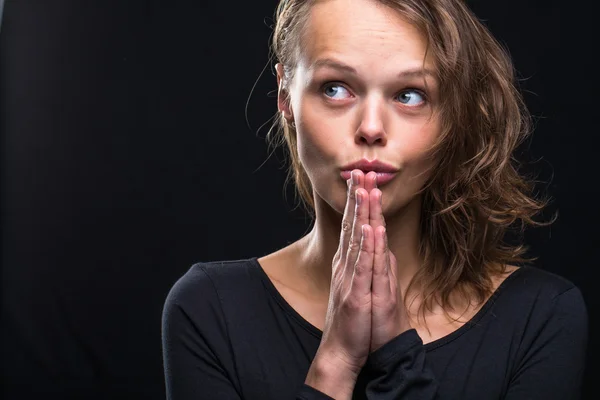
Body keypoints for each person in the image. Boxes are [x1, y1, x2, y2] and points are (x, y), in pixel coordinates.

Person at [161, 0, 588, 398]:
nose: (370, 128)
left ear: (453, 116)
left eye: (409, 95)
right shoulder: (209, 310)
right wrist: (335, 362)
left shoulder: (541, 316)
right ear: (285, 96)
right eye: (336, 89)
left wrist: (397, 354)